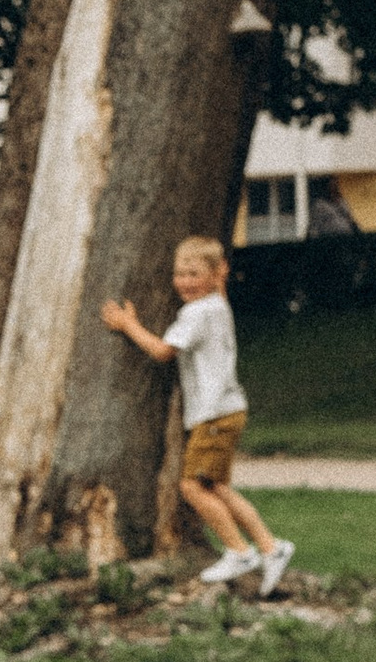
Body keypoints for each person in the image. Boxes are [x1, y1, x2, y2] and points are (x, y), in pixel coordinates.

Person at [100, 237, 294, 597]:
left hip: (214, 414)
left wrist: (128, 324)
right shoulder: (218, 305)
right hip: (226, 410)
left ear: (215, 274)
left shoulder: (198, 313)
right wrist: (219, 276)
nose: (184, 282)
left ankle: (239, 552)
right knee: (216, 487)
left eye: (194, 274)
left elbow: (163, 351)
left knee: (191, 487)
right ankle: (272, 548)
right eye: (179, 274)